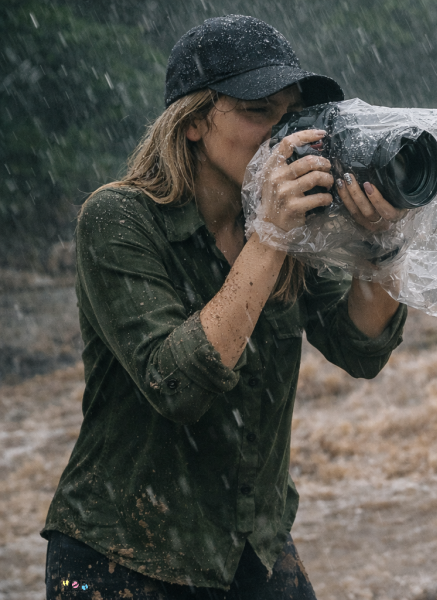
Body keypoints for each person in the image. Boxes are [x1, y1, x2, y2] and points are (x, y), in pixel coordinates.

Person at [41, 15, 408, 600]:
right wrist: (268, 235)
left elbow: (358, 347)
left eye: (289, 115)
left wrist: (380, 246)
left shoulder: (293, 222)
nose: (278, 134)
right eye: (257, 110)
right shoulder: (118, 218)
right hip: (123, 554)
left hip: (251, 544)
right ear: (191, 123)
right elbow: (175, 385)